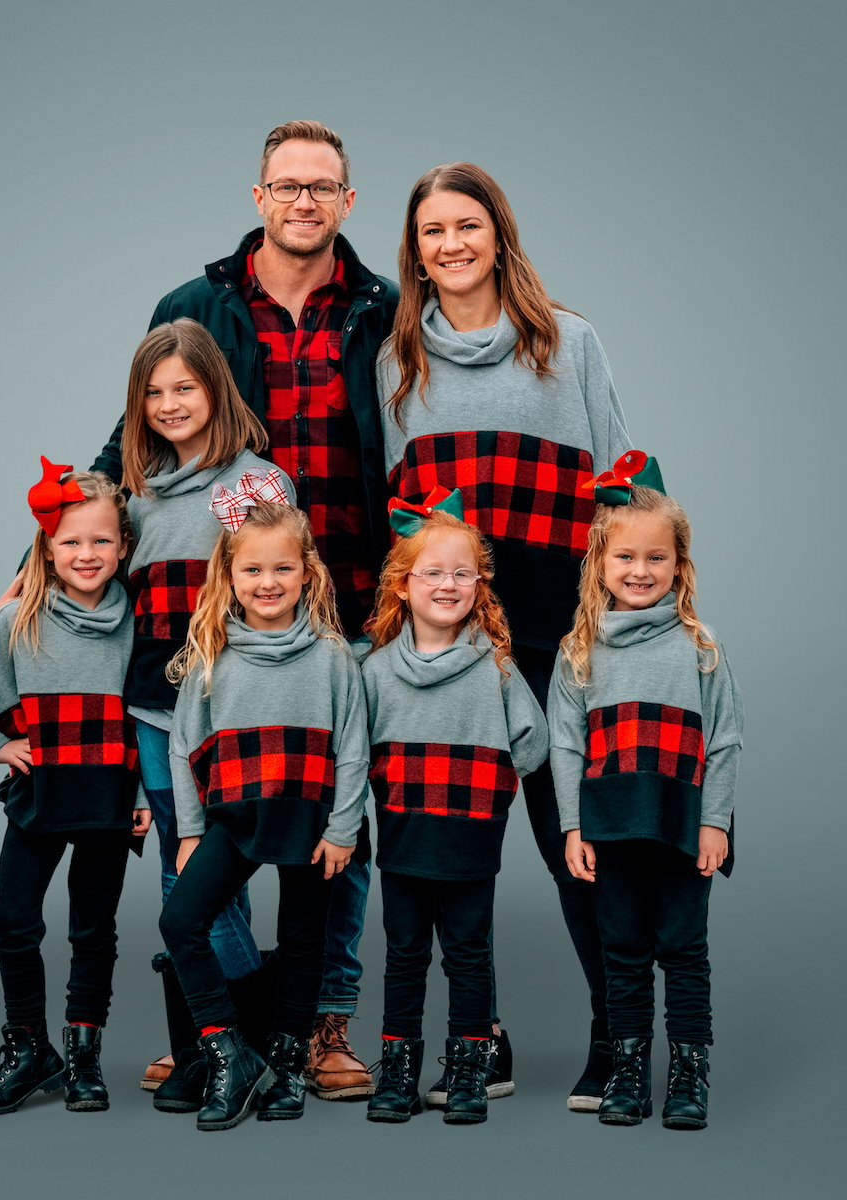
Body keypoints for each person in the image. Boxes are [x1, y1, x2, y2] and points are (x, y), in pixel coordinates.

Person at [94, 119, 395, 1097]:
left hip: (342, 612)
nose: (302, 199)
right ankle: (229, 1022)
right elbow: (124, 448)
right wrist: (46, 554)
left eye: (322, 186)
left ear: (347, 202)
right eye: (285, 184)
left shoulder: (385, 312)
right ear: (258, 197)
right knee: (203, 831)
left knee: (332, 839)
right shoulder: (198, 305)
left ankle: (323, 1026)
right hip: (205, 656)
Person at [376, 161, 633, 1106]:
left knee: (572, 840)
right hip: (450, 651)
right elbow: (399, 518)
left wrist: (627, 626)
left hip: (560, 636)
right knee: (445, 850)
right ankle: (479, 1037)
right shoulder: (397, 360)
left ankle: (621, 1033)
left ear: (499, 235)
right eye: (432, 231)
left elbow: (624, 488)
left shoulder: (569, 343)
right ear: (416, 250)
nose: (450, 244)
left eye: (466, 225)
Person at [119, 319, 297, 1110]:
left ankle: (238, 1044)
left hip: (236, 717)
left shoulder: (257, 485)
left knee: (223, 867)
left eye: (184, 387)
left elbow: (279, 596)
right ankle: (211, 1047)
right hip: (156, 712)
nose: (170, 403)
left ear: (215, 390)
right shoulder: (140, 494)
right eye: (154, 393)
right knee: (180, 870)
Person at [159, 497, 369, 1130]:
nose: (268, 583)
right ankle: (227, 1050)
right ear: (229, 576)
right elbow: (183, 747)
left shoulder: (333, 657)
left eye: (281, 569)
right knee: (181, 922)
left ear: (307, 572)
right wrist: (192, 830)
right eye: (252, 571)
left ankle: (286, 1062)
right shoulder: (211, 655)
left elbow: (353, 750)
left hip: (310, 822)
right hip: (235, 821)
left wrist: (343, 832)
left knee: (305, 943)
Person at [548, 454, 742, 1130]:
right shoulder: (579, 650)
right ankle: (628, 1068)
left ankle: (690, 1074)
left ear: (678, 565)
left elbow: (724, 741)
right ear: (599, 563)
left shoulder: (700, 647)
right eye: (625, 556)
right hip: (610, 825)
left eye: (655, 558)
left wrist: (714, 821)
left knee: (684, 948)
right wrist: (573, 827)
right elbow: (565, 746)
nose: (640, 571)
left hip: (684, 821)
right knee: (622, 946)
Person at [0, 461, 149, 1117]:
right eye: (71, 542)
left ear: (124, 546)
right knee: (15, 922)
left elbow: (156, 719)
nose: (86, 554)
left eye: (101, 541)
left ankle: (83, 1056)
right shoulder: (17, 619)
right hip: (40, 797)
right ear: (46, 548)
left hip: (108, 799)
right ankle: (27, 1047)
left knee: (92, 928)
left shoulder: (140, 624)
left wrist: (147, 798)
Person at [361, 490, 547, 1125]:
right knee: (404, 952)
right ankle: (400, 1071)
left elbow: (534, 739)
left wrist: (488, 787)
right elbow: (353, 751)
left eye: (461, 573)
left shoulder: (495, 666)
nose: (447, 584)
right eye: (432, 573)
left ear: (479, 585)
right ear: (403, 585)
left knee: (469, 952)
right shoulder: (375, 671)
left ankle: (468, 1070)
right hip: (404, 839)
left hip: (470, 840)